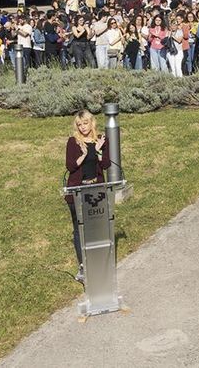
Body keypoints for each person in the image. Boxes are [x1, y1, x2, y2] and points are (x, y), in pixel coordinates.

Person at [63, 110, 110, 283]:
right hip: (77, 190)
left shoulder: (101, 140)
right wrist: (83, 155)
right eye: (79, 124)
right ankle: (83, 265)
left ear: (92, 123)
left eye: (85, 123)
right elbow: (70, 166)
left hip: (95, 190)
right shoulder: (73, 142)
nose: (83, 127)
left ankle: (98, 262)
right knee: (79, 228)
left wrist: (97, 151)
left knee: (96, 226)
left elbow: (105, 164)